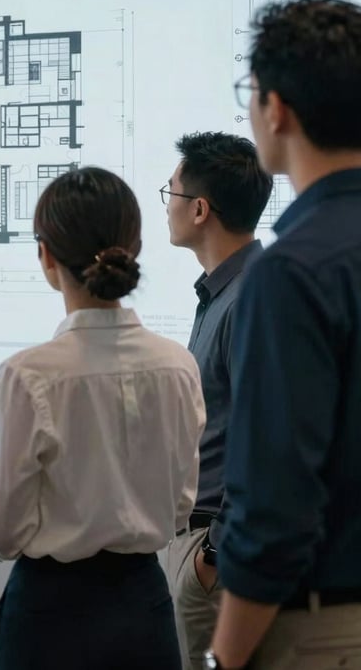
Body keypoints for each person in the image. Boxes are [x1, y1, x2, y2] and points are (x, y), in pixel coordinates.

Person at [0, 166, 206, 670]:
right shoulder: (177, 365)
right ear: (134, 248)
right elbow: (181, 506)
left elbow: (2, 529)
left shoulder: (28, 375)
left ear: (46, 255)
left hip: (48, 616)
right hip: (144, 609)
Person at [206, 0, 361, 669]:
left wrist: (224, 657)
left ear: (276, 109)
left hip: (321, 626)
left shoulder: (290, 271)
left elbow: (274, 511)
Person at [161, 132, 272, 670]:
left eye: (171, 192)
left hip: (214, 555)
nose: (167, 205)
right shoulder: (221, 292)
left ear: (200, 209)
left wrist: (212, 556)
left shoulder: (250, 295)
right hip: (202, 545)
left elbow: (269, 438)